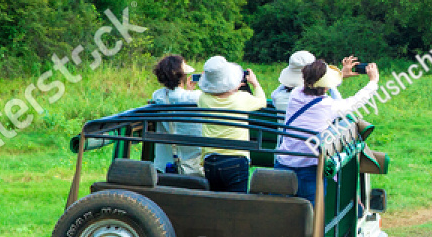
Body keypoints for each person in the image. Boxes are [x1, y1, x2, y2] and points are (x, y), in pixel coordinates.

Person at [276, 57, 380, 205]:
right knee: (309, 217)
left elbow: (314, 86)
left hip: (283, 163)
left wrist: (339, 77)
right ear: (326, 85)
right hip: (309, 169)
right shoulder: (328, 106)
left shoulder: (295, 95)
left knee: (278, 211)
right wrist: (373, 81)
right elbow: (356, 101)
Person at [195, 55, 267, 193]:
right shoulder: (241, 99)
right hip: (235, 160)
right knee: (237, 207)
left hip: (210, 160)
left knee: (217, 203)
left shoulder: (203, 99)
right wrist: (255, 83)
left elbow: (212, 92)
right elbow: (261, 101)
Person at [148, 54, 202, 176]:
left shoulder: (158, 96)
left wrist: (186, 90)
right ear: (183, 76)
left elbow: (174, 96)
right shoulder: (195, 97)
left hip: (165, 165)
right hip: (193, 165)